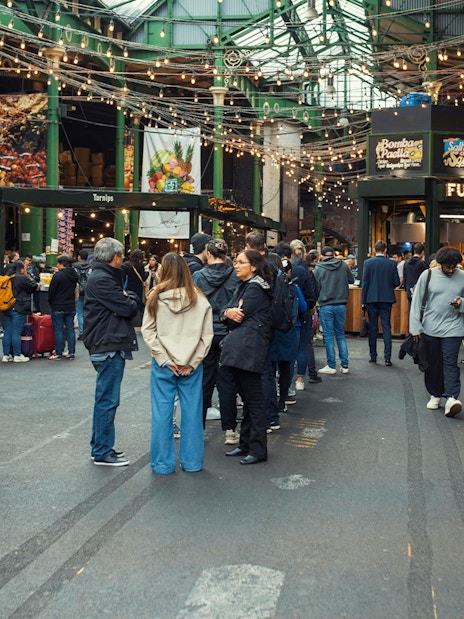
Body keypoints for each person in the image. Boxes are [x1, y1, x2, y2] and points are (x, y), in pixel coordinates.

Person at [141, 252, 213, 474]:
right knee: (192, 413)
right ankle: (192, 462)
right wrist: (192, 361)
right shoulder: (200, 299)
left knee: (162, 413)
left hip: (164, 364)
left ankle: (163, 464)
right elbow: (206, 335)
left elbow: (148, 331)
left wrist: (164, 359)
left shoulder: (155, 296)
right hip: (191, 364)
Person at [83, 237, 139, 467]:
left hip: (106, 342)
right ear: (116, 257)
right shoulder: (103, 280)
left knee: (105, 399)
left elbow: (124, 307)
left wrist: (127, 299)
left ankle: (101, 446)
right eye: (121, 256)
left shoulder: (100, 276)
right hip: (108, 344)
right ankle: (102, 451)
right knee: (108, 400)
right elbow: (128, 308)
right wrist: (130, 298)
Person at [220, 249, 274, 465]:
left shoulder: (254, 289)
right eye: (235, 261)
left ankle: (258, 449)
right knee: (248, 399)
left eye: (241, 262)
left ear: (253, 266)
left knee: (254, 400)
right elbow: (227, 312)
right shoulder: (246, 286)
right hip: (244, 349)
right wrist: (227, 312)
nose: (236, 265)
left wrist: (228, 314)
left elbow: (235, 319)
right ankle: (246, 444)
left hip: (249, 349)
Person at [194, 238, 241, 444]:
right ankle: (230, 430)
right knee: (227, 382)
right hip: (228, 333)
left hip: (205, 333)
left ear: (208, 253)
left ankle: (198, 429)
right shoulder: (235, 276)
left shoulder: (198, 276)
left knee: (203, 382)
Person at [410, 247, 464, 417]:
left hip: (454, 328)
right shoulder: (428, 275)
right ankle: (435, 394)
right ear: (439, 264)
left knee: (450, 362)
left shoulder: (462, 276)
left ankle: (452, 397)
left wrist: (461, 302)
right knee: (433, 363)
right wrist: (415, 327)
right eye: (447, 266)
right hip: (430, 328)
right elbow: (417, 301)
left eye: (454, 266)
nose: (451, 269)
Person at [314, 246, 354, 374]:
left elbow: (316, 287)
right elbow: (351, 280)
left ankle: (331, 365)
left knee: (329, 336)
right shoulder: (343, 265)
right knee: (340, 334)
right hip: (341, 303)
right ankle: (345, 365)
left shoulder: (319, 268)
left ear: (322, 255)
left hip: (326, 304)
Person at [361, 240, 400, 366]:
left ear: (374, 250)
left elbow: (365, 283)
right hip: (386, 299)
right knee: (386, 328)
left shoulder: (368, 263)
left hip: (371, 299)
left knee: (373, 329)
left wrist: (363, 301)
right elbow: (396, 282)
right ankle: (387, 358)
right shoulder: (392, 263)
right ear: (385, 250)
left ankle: (373, 356)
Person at [288, 239, 320, 389]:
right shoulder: (307, 271)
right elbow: (313, 294)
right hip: (304, 313)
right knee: (303, 345)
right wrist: (307, 307)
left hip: (287, 315)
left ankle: (284, 383)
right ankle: (301, 378)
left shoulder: (286, 269)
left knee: (287, 347)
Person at [1, 261, 38, 363]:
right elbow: (33, 287)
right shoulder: (21, 278)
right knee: (16, 332)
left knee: (7, 331)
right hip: (18, 307)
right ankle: (17, 355)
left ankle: (6, 355)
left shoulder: (7, 278)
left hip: (6, 306)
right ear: (21, 268)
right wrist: (28, 276)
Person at [48, 254, 78, 360]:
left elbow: (51, 291)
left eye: (58, 263)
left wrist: (51, 302)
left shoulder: (58, 276)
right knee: (70, 330)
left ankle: (59, 352)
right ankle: (71, 352)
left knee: (59, 330)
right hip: (70, 306)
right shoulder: (74, 275)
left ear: (62, 264)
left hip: (58, 305)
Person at [73, 249, 92, 340]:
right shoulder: (91, 266)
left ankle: (82, 332)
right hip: (88, 291)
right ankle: (89, 332)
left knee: (79, 312)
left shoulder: (74, 266)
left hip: (78, 291)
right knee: (88, 312)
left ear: (79, 257)